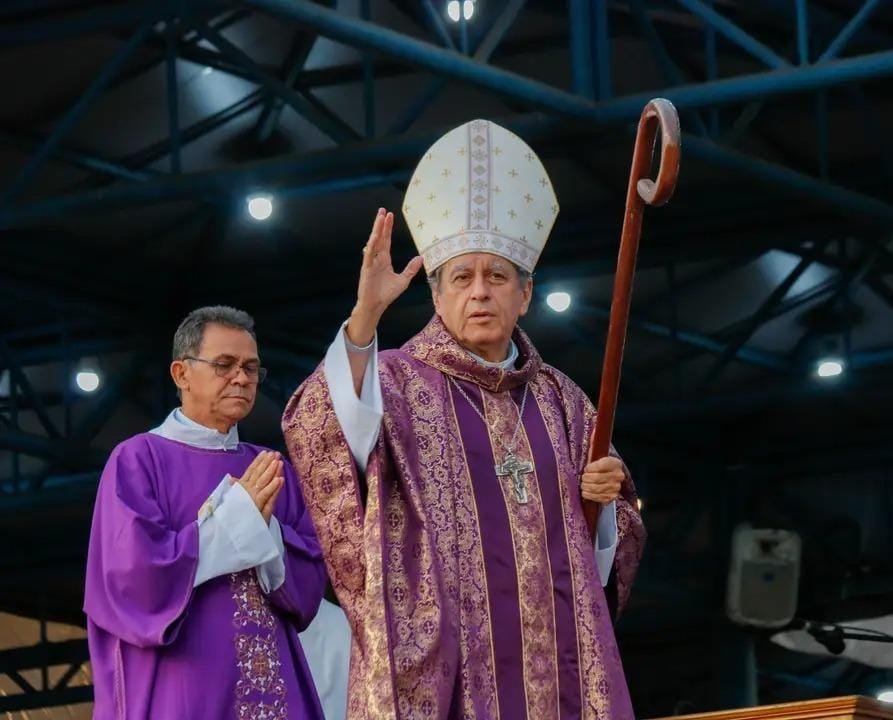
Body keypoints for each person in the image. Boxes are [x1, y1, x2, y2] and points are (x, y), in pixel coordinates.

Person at [282, 120, 646, 719]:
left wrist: (603, 504)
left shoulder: (564, 402)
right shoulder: (397, 383)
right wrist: (365, 315)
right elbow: (321, 433)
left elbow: (605, 552)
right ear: (436, 295)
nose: (479, 293)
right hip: (451, 671)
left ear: (525, 295)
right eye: (462, 277)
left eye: (497, 276)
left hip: (560, 674)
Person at [84, 305, 326, 720]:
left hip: (273, 687)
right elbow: (132, 578)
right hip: (186, 687)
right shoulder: (139, 459)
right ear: (181, 374)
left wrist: (265, 530)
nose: (241, 378)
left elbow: (310, 578)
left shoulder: (271, 468)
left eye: (251, 368)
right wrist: (238, 521)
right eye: (224, 365)